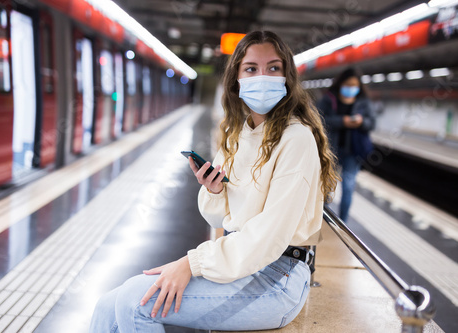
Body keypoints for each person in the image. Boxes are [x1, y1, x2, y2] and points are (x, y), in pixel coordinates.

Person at [89, 30, 339, 332]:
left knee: (135, 302)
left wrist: (191, 263)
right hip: (243, 260)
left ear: (287, 76)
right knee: (107, 305)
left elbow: (269, 237)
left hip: (278, 277)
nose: (263, 77)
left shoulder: (296, 138)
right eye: (251, 69)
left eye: (274, 68)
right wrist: (217, 190)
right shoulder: (237, 135)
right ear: (236, 79)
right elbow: (219, 217)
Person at [316, 68, 376, 222]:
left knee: (348, 187)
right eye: (348, 84)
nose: (351, 88)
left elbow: (372, 123)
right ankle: (322, 218)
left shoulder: (363, 102)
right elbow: (318, 120)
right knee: (326, 186)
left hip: (353, 150)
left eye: (354, 85)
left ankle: (343, 222)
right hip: (330, 150)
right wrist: (342, 121)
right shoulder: (328, 99)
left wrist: (362, 122)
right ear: (340, 83)